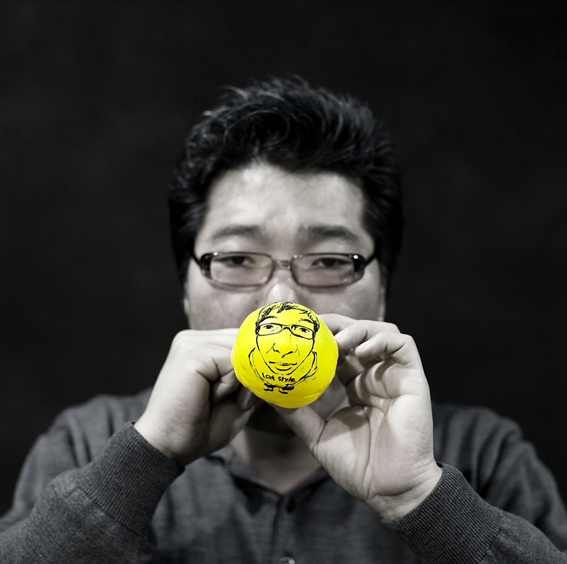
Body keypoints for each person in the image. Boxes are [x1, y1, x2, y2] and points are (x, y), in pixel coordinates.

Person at [1, 77, 566, 563]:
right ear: (185, 287)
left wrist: (421, 498)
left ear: (383, 288)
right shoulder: (88, 443)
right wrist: (146, 460)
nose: (281, 301)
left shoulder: (485, 455)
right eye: (237, 259)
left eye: (329, 261)